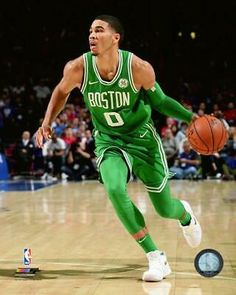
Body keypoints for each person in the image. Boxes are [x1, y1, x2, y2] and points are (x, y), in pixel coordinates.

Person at [35, 15, 202, 282]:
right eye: (90, 30)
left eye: (99, 30)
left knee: (164, 208)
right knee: (114, 188)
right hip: (108, 139)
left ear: (116, 38)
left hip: (141, 140)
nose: (92, 35)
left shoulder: (138, 67)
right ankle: (155, 256)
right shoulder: (78, 67)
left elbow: (160, 102)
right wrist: (46, 123)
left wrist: (191, 118)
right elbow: (61, 92)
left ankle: (184, 214)